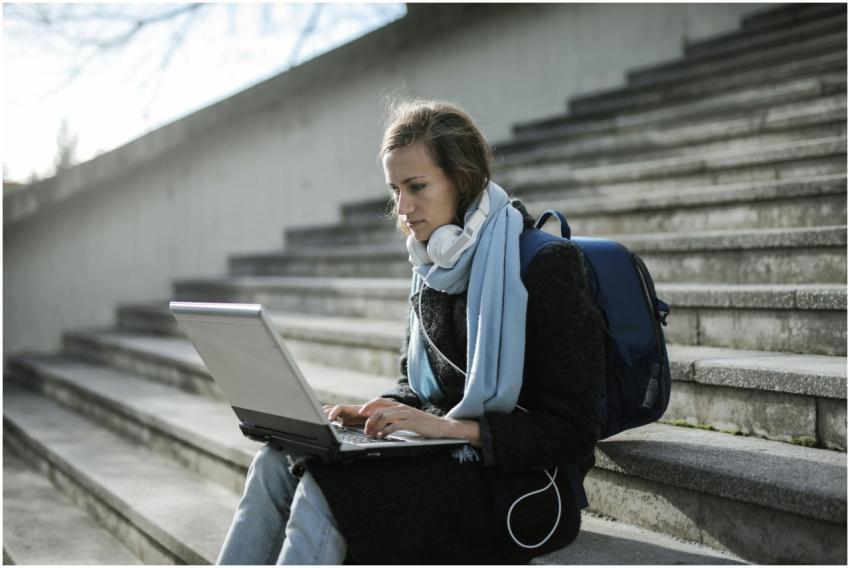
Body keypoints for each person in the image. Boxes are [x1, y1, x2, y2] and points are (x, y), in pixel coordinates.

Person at [216, 99, 605, 565]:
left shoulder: (546, 266)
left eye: (417, 186)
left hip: (522, 484)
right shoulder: (431, 265)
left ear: (462, 181)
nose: (402, 208)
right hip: (443, 453)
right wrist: (373, 414)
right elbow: (417, 386)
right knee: (275, 462)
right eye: (395, 189)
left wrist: (447, 428)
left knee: (333, 486)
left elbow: (574, 430)